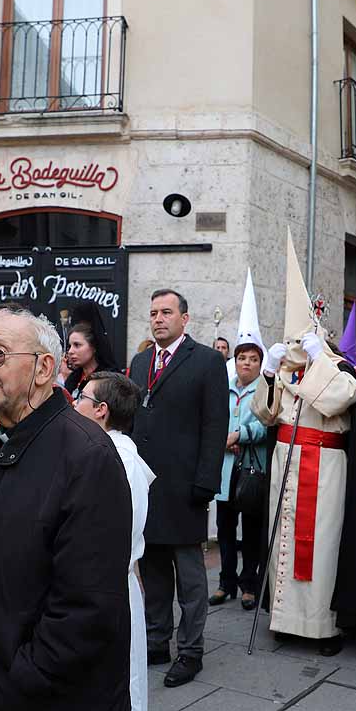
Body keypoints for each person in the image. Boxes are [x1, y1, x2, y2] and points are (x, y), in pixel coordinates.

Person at [0, 304, 133, 711]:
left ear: (44, 368)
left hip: (49, 708)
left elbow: (86, 606)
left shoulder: (87, 455)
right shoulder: (0, 443)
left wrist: (22, 678)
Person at [252, 235, 356, 656]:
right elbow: (266, 416)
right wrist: (270, 374)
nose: (294, 347)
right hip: (286, 459)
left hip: (324, 466)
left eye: (301, 340)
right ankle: (286, 619)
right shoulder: (287, 371)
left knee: (321, 546)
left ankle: (322, 626)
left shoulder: (338, 368)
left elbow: (340, 397)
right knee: (284, 542)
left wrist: (318, 360)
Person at [128, 289, 227, 686]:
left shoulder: (206, 361)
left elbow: (214, 425)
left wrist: (206, 482)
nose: (158, 319)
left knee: (189, 577)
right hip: (147, 486)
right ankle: (156, 639)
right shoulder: (139, 362)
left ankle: (191, 650)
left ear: (185, 319)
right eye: (153, 313)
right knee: (151, 570)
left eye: (166, 312)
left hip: (186, 486)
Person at [73, 371, 155, 711]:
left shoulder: (115, 459)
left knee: (116, 685)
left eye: (82, 398)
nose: (75, 404)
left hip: (107, 587)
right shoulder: (108, 451)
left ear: (101, 410)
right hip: (114, 583)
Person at [210, 338, 270, 610]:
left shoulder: (265, 389)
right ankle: (226, 582)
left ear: (260, 363)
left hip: (250, 468)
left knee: (251, 528)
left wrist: (241, 435)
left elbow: (266, 425)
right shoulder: (224, 388)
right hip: (225, 466)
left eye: (253, 359)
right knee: (225, 527)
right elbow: (213, 418)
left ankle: (249, 584)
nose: (247, 362)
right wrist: (223, 437)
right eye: (242, 357)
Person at [64, 305, 119, 400]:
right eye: (70, 346)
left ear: (94, 347)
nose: (70, 351)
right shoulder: (72, 379)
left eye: (77, 345)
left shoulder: (109, 380)